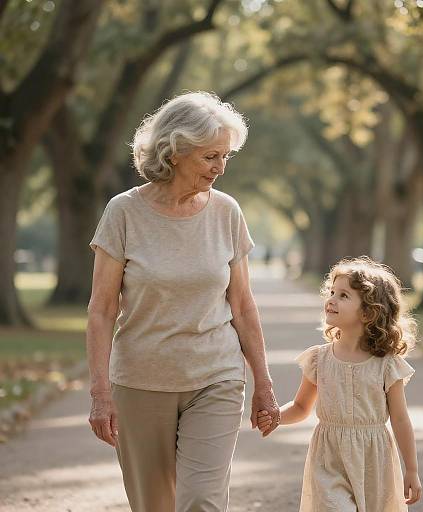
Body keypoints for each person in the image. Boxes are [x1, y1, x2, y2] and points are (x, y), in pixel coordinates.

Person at [86, 91, 280, 512]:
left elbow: (243, 306)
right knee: (154, 504)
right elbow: (101, 310)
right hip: (141, 380)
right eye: (211, 156)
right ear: (175, 151)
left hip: (216, 376)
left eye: (225, 157)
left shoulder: (227, 212)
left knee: (202, 501)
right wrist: (100, 392)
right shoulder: (123, 212)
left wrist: (263, 383)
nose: (220, 167)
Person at [257, 256, 422, 511]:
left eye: (344, 295)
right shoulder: (318, 359)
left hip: (373, 461)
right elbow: (301, 407)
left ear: (369, 312)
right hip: (329, 459)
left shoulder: (387, 365)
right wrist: (277, 416)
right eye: (332, 292)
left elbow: (400, 419)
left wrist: (411, 469)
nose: (331, 300)